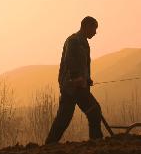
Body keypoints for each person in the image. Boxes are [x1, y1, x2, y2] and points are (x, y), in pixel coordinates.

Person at [45, 16, 105, 144]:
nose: (95, 32)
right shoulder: (73, 41)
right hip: (73, 87)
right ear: (86, 26)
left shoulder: (83, 42)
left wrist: (87, 79)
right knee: (94, 111)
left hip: (76, 87)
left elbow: (82, 65)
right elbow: (70, 61)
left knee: (64, 118)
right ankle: (96, 142)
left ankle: (49, 144)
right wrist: (76, 78)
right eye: (94, 29)